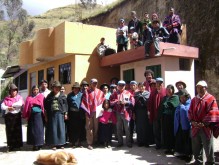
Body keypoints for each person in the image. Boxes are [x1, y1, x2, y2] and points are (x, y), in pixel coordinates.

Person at [188, 80, 219, 165]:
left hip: (206, 127)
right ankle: (198, 161)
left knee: (208, 146)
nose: (200, 89)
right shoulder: (194, 99)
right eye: (198, 87)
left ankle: (210, 162)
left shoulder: (211, 98)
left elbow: (213, 112)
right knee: (196, 146)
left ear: (206, 88)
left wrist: (204, 123)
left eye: (202, 87)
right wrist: (192, 121)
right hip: (195, 127)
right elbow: (190, 111)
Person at [81, 78, 105, 150]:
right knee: (89, 127)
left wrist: (102, 110)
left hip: (97, 112)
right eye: (93, 83)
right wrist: (87, 111)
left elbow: (103, 102)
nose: (95, 84)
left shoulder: (100, 92)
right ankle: (89, 143)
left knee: (96, 127)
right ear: (90, 84)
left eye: (96, 83)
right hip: (89, 112)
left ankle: (95, 141)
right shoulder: (87, 92)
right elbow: (84, 102)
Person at [110, 80, 135, 148]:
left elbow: (132, 102)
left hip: (126, 113)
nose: (121, 86)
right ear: (117, 86)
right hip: (117, 113)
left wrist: (127, 103)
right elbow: (110, 102)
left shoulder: (128, 93)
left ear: (125, 86)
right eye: (120, 85)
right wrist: (117, 102)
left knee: (127, 128)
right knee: (119, 128)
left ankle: (128, 142)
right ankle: (120, 142)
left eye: (123, 85)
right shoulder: (114, 94)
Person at [44, 81, 68, 150]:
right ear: (53, 88)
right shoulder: (49, 96)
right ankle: (53, 144)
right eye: (55, 87)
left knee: (61, 129)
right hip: (52, 114)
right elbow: (46, 106)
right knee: (53, 129)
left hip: (60, 114)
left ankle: (61, 144)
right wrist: (46, 115)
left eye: (58, 87)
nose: (57, 89)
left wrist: (66, 113)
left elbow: (65, 105)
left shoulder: (62, 95)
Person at [1, 84, 24, 151]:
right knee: (9, 131)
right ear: (10, 92)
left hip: (16, 116)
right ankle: (11, 145)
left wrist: (10, 105)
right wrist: (8, 108)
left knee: (17, 131)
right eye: (12, 91)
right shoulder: (6, 99)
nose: (13, 92)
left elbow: (20, 104)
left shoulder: (19, 98)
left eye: (15, 90)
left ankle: (18, 145)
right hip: (9, 117)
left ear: (17, 91)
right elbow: (2, 106)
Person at [22, 85, 45, 151]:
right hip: (31, 115)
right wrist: (26, 115)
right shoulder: (29, 97)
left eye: (37, 89)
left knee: (39, 130)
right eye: (34, 89)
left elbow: (43, 106)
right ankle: (34, 145)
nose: (35, 91)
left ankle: (40, 144)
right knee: (33, 131)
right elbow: (26, 107)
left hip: (39, 116)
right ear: (32, 90)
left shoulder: (41, 96)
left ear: (39, 90)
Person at [160, 84, 179, 155]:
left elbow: (172, 105)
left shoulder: (175, 97)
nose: (168, 91)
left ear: (173, 90)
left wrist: (166, 104)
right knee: (166, 132)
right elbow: (163, 105)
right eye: (167, 90)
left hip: (172, 117)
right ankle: (167, 148)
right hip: (165, 117)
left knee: (171, 132)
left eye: (170, 89)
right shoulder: (165, 98)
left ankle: (172, 148)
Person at [174, 89, 193, 162]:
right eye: (180, 98)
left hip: (187, 126)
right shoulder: (181, 104)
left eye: (183, 97)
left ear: (187, 97)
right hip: (180, 125)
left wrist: (182, 107)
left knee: (187, 141)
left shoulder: (189, 103)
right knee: (181, 140)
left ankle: (189, 155)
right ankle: (183, 154)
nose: (182, 99)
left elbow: (187, 112)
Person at [148, 77, 166, 149]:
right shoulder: (153, 92)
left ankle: (164, 144)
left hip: (163, 114)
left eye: (160, 83)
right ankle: (158, 144)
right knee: (156, 130)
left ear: (162, 83)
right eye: (157, 83)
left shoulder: (165, 91)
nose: (159, 84)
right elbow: (149, 103)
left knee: (163, 130)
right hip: (155, 114)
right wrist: (149, 112)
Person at [67, 82, 85, 148]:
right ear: (73, 88)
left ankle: (80, 142)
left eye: (77, 88)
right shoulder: (69, 95)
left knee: (80, 128)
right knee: (72, 128)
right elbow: (67, 105)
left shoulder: (82, 95)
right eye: (75, 88)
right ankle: (73, 142)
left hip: (80, 113)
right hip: (72, 113)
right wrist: (67, 113)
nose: (76, 89)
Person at [134, 82, 150, 147]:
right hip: (138, 112)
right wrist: (134, 113)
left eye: (143, 86)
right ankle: (140, 142)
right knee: (139, 127)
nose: (141, 87)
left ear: (145, 87)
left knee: (145, 127)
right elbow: (134, 104)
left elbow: (148, 103)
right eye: (140, 86)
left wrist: (142, 97)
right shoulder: (136, 94)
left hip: (145, 111)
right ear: (138, 87)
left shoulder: (148, 93)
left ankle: (146, 142)